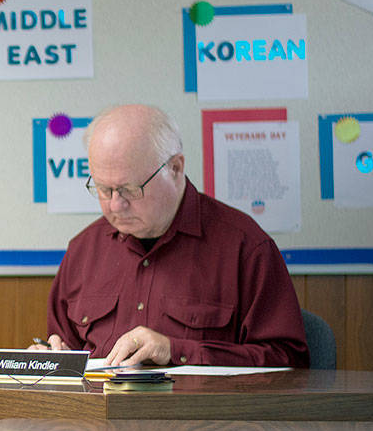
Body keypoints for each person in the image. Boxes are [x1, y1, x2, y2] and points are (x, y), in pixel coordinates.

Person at [35, 104, 308, 368]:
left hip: (203, 415)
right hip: (95, 414)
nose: (116, 205)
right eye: (104, 189)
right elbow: (63, 346)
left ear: (175, 168)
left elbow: (288, 361)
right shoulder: (84, 249)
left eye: (130, 189)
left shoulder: (245, 247)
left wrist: (175, 350)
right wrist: (52, 357)